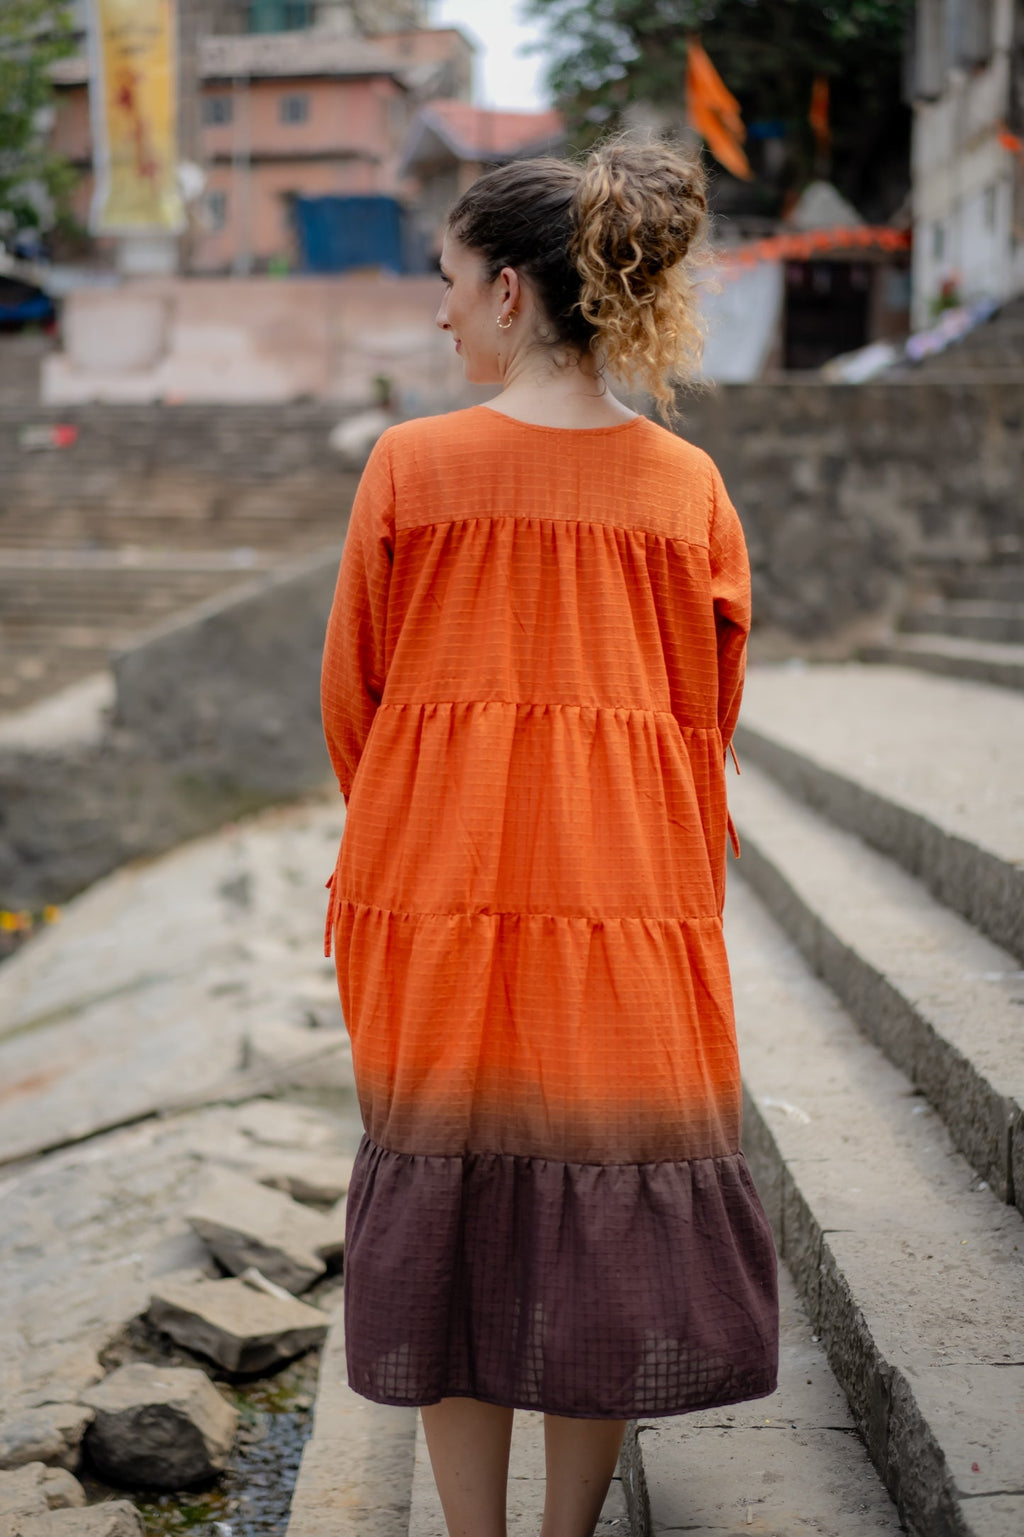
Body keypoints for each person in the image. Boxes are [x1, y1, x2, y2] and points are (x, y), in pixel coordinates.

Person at [320, 139, 779, 1537]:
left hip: (435, 893)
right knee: (607, 1216)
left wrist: (420, 829)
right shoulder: (684, 487)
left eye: (449, 281)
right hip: (628, 900)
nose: (438, 311)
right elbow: (711, 716)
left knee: (448, 1209)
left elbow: (355, 698)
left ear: (511, 291)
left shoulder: (412, 466)